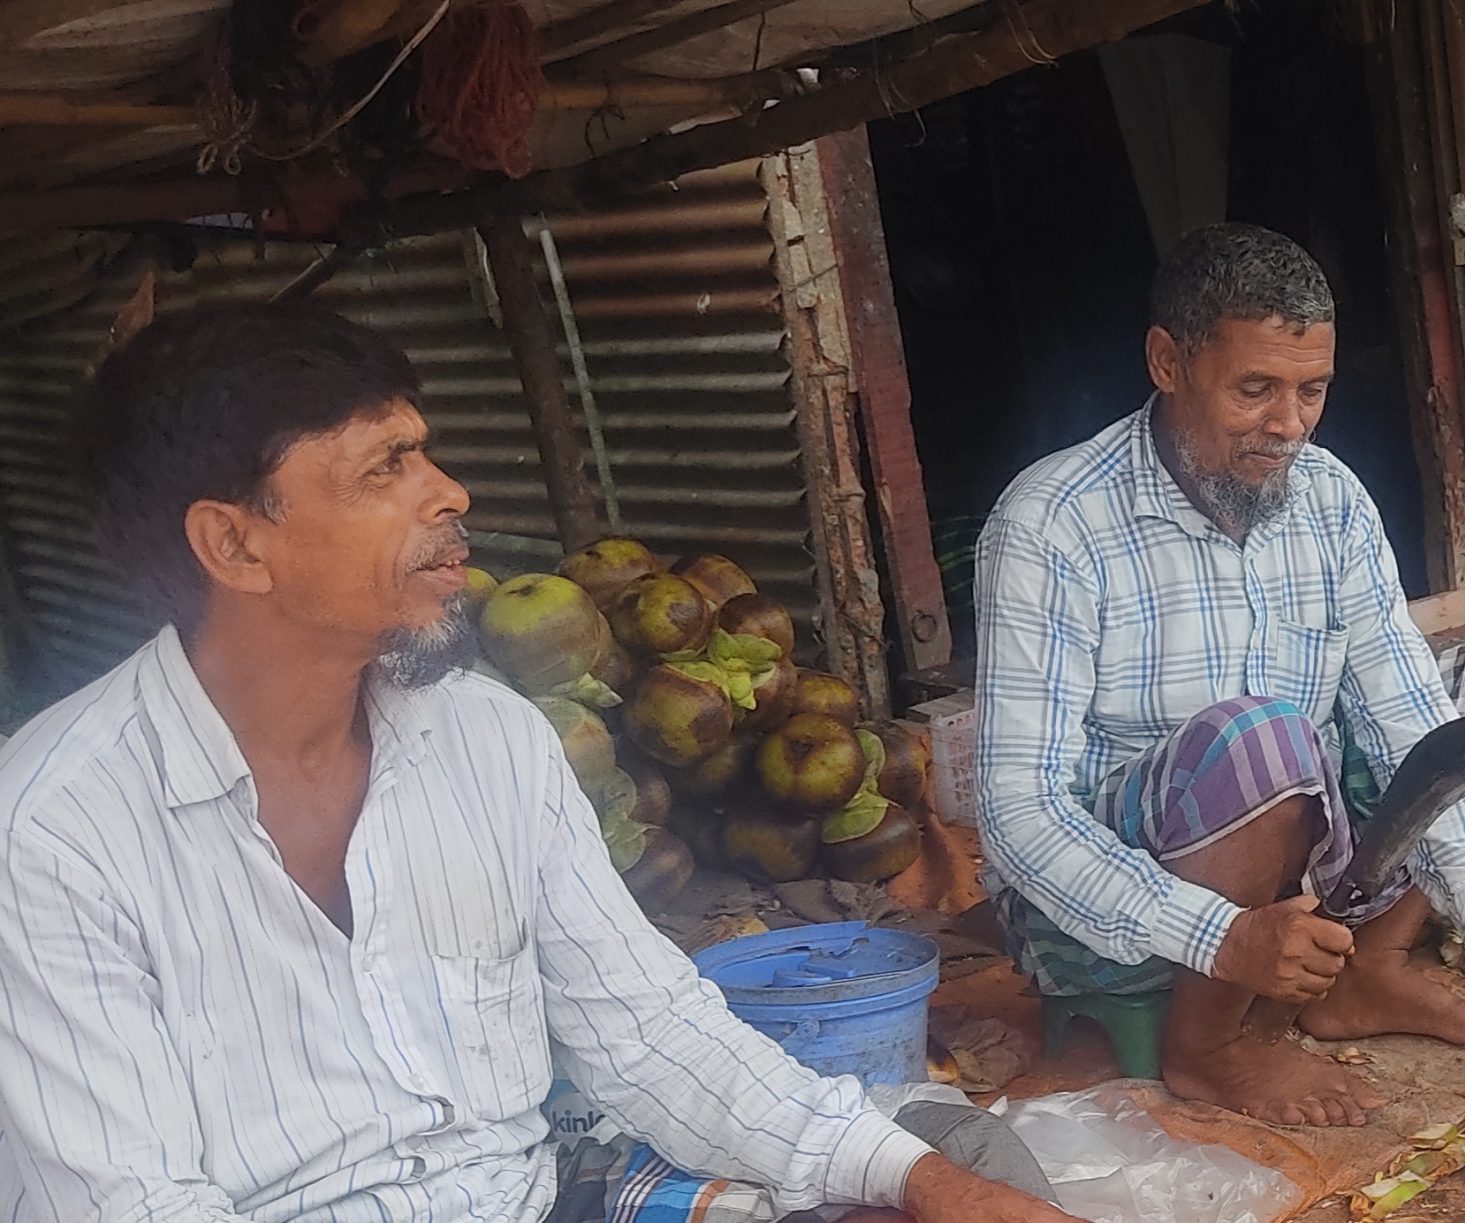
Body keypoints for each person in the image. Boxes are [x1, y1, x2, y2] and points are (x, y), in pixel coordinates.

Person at [0, 304, 1078, 1223]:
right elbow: (127, 1202)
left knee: (943, 1151)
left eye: (424, 451)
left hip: (534, 1197)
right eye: (387, 466)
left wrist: (922, 1176)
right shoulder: (53, 829)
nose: (451, 492)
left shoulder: (488, 737)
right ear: (235, 544)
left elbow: (648, 1029)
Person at [974, 223, 1465, 1129]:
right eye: (1255, 389)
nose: (1288, 426)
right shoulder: (1052, 524)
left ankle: (1366, 972)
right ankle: (1209, 1042)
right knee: (1263, 738)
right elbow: (1017, 813)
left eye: (1311, 391)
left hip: (1302, 866)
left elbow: (1409, 716)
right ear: (1167, 361)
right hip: (1114, 909)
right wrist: (1217, 935)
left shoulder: (1331, 499)